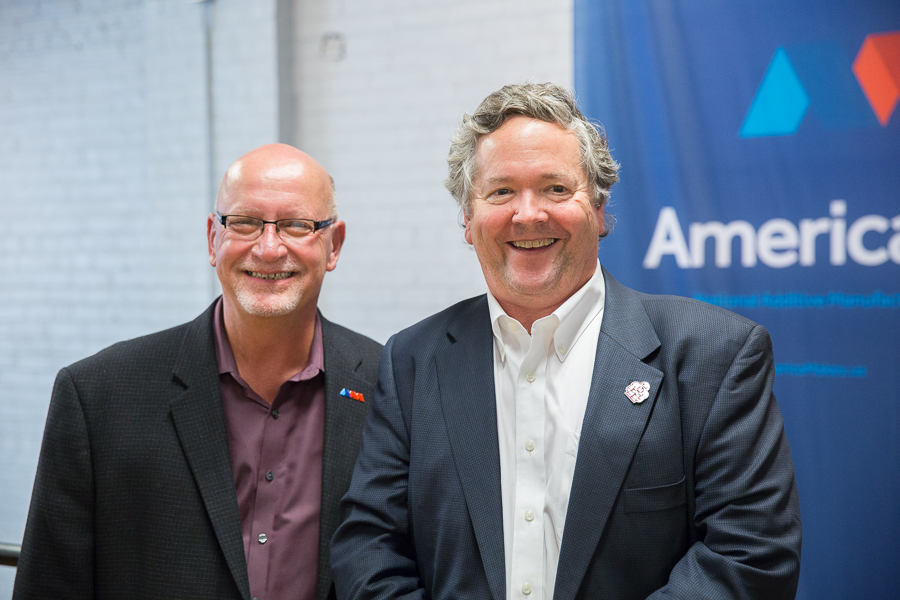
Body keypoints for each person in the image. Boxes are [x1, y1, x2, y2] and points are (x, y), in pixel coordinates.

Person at [331, 84, 802, 600]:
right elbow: (368, 546)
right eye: (501, 192)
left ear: (598, 209)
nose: (528, 214)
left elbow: (749, 555)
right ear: (468, 218)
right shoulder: (412, 362)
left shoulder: (714, 355)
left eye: (555, 188)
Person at [14, 144, 382, 600]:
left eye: (296, 225)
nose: (269, 248)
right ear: (213, 239)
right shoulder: (97, 397)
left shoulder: (389, 389)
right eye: (244, 223)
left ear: (333, 245)